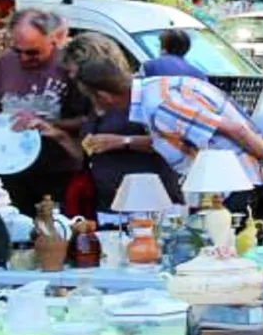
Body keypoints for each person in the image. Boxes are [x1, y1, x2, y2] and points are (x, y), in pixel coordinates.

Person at [71, 61, 263, 208]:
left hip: (227, 184)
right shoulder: (156, 87)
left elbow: (235, 129)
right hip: (227, 180)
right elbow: (174, 139)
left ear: (103, 96)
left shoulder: (160, 106)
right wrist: (123, 142)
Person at [0, 9, 86, 216]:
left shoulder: (69, 65)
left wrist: (47, 124)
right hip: (10, 167)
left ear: (52, 39)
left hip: (58, 170)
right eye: (18, 51)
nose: (24, 58)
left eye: (33, 52)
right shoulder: (4, 62)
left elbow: (88, 120)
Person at [61, 35, 183, 216]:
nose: (71, 77)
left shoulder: (138, 96)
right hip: (108, 202)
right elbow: (85, 153)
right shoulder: (91, 101)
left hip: (150, 199)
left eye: (74, 71)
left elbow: (173, 140)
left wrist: (123, 141)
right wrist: (59, 136)